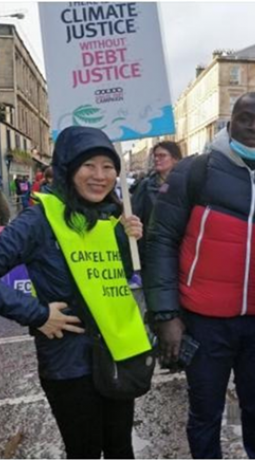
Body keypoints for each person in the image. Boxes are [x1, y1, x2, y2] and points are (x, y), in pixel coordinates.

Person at [143, 92, 255, 459]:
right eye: (246, 118)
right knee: (205, 415)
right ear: (230, 122)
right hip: (204, 323)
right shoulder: (195, 170)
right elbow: (160, 241)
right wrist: (166, 315)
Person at [0, 126, 145, 459]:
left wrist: (128, 240)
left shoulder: (111, 216)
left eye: (108, 166)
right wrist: (37, 314)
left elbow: (118, 279)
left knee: (122, 450)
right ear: (67, 168)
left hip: (115, 355)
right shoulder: (39, 220)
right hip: (69, 365)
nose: (100, 175)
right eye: (88, 165)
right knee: (84, 452)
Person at [131, 141, 182, 257]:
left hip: (179, 246)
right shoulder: (145, 185)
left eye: (162, 156)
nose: (157, 159)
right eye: (155, 156)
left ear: (175, 159)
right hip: (152, 247)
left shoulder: (186, 183)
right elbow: (135, 215)